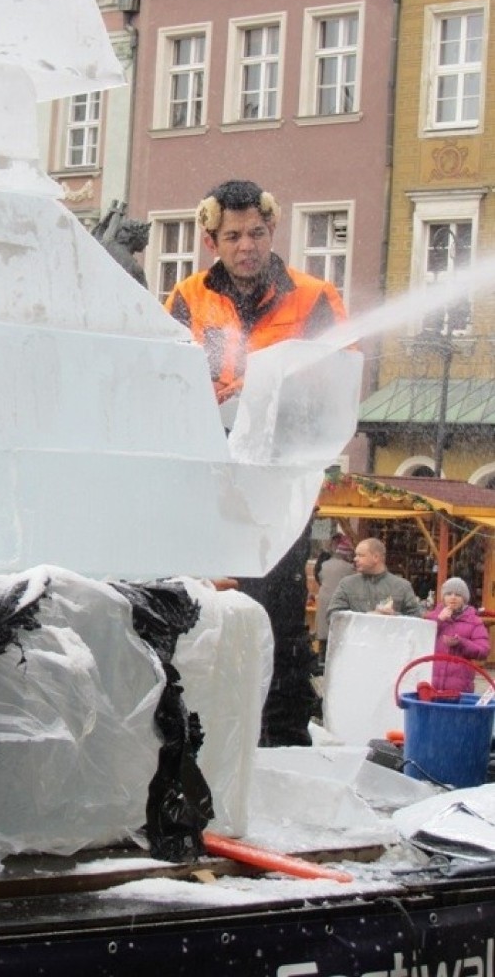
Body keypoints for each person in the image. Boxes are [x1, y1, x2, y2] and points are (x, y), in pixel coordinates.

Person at [165, 179, 347, 746]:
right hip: (212, 471)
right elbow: (162, 375)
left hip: (279, 475)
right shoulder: (188, 296)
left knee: (280, 601)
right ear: (212, 239)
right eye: (235, 236)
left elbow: (341, 379)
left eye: (258, 233)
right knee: (204, 597)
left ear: (272, 232)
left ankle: (285, 729)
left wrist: (279, 399)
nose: (248, 245)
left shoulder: (313, 296)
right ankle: (202, 722)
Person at [326, 538, 421, 621]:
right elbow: (332, 616)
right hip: (356, 640)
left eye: (361, 555)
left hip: (387, 640)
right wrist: (367, 617)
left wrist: (393, 616)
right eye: (356, 555)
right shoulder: (347, 584)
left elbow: (416, 619)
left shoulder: (402, 586)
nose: (355, 559)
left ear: (376, 557)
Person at [426, 577, 490, 694]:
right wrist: (439, 620)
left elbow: (484, 651)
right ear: (443, 597)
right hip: (431, 684)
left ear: (464, 599)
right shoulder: (432, 617)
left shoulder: (474, 621)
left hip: (460, 688)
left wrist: (461, 643)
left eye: (458, 594)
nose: (453, 597)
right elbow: (421, 638)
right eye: (449, 594)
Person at [315, 535, 355, 663]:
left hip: (324, 601)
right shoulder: (350, 569)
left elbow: (320, 578)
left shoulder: (324, 565)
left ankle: (321, 660)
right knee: (337, 636)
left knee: (324, 635)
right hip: (340, 604)